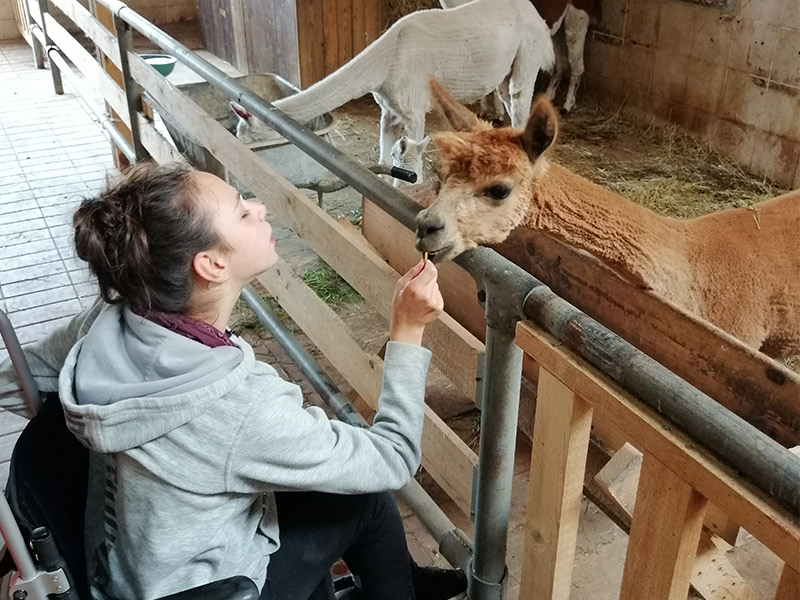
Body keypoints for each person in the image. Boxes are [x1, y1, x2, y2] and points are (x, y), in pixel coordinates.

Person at [0, 162, 467, 600]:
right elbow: (394, 457)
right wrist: (407, 332)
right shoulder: (241, 408)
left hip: (125, 572)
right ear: (212, 265)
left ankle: (397, 578)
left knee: (326, 490)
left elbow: (19, 376)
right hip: (209, 587)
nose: (260, 207)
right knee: (366, 497)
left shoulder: (105, 323)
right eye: (243, 210)